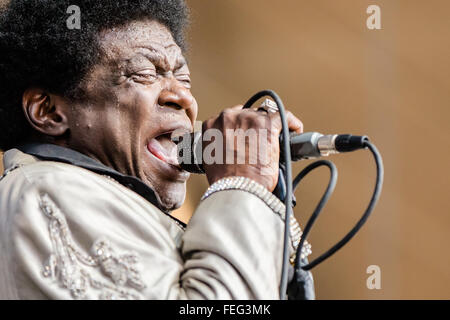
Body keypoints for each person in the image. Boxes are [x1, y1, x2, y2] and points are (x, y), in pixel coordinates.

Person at [0, 0, 311, 299]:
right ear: (49, 112)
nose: (183, 98)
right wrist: (242, 187)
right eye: (144, 75)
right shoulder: (45, 190)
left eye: (184, 79)